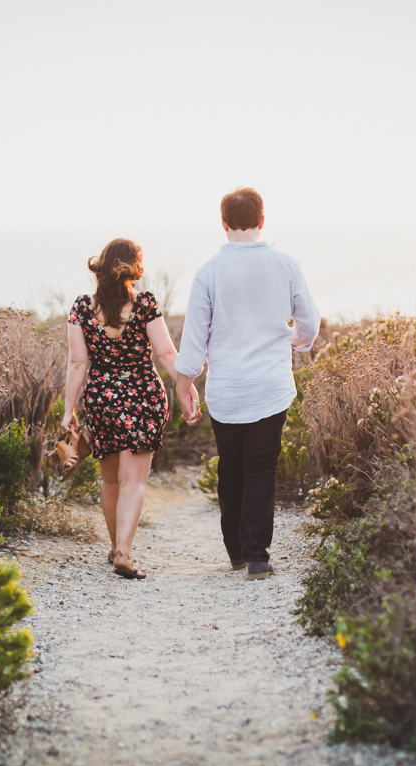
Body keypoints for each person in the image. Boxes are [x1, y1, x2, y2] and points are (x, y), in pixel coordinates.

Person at [174, 188, 320, 580]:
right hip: (271, 386)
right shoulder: (285, 264)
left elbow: (193, 341)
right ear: (262, 220)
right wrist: (296, 342)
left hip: (227, 390)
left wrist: (183, 385)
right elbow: (309, 322)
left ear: (223, 223)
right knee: (261, 468)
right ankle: (257, 556)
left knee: (232, 468)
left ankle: (236, 551)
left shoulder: (208, 273)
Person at [61, 238, 197, 579]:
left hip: (101, 399)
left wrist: (68, 412)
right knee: (132, 481)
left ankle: (116, 548)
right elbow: (166, 354)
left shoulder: (82, 308)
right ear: (136, 268)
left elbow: (78, 363)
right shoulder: (145, 304)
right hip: (143, 398)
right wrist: (186, 383)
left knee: (110, 481)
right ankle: (123, 551)